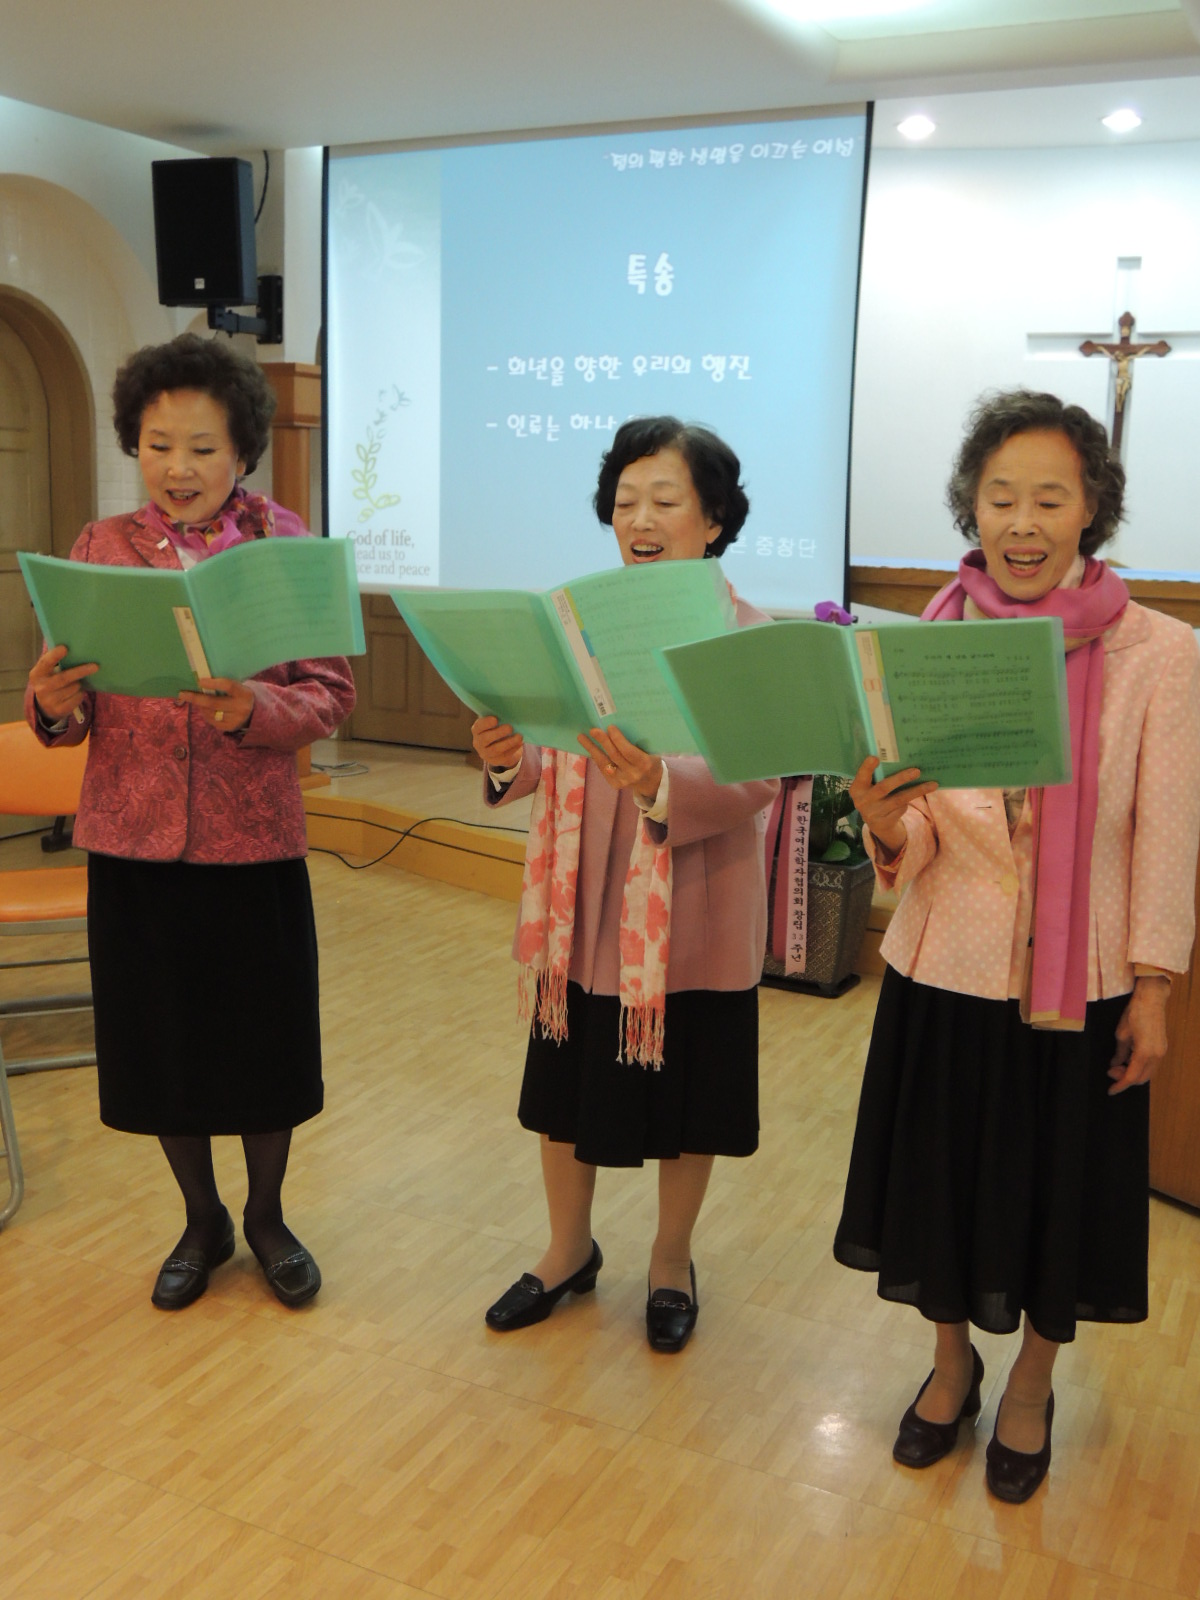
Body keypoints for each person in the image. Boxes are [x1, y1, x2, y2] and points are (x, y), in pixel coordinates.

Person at [834, 389, 1200, 1502]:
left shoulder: (1162, 654)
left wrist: (1155, 988)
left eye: (1049, 497)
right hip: (944, 967)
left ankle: (1032, 1384)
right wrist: (883, 821)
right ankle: (951, 1365)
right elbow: (917, 830)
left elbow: (1167, 836)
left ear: (1093, 509)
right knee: (937, 1184)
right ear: (973, 509)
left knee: (1057, 1195)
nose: (1023, 522)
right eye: (1000, 498)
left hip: (1079, 984)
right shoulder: (930, 641)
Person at [25, 333, 356, 1312]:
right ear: (135, 444)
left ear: (243, 449)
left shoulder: (286, 546)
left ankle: (267, 1216)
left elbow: (330, 693)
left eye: (203, 448)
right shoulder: (100, 546)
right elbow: (68, 709)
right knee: (159, 1042)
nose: (178, 467)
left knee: (261, 1040)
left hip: (251, 840)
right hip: (132, 840)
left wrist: (254, 709)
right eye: (158, 445)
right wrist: (50, 703)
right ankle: (201, 1219)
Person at [474, 417, 778, 1352]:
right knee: (564, 1092)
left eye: (664, 501)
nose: (639, 520)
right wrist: (506, 754)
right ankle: (568, 1249)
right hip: (580, 909)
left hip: (695, 912)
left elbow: (760, 776)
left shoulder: (745, 636)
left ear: (714, 520)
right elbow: (543, 752)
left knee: (688, 1102)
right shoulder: (573, 626)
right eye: (624, 501)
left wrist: (659, 784)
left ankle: (671, 1262)